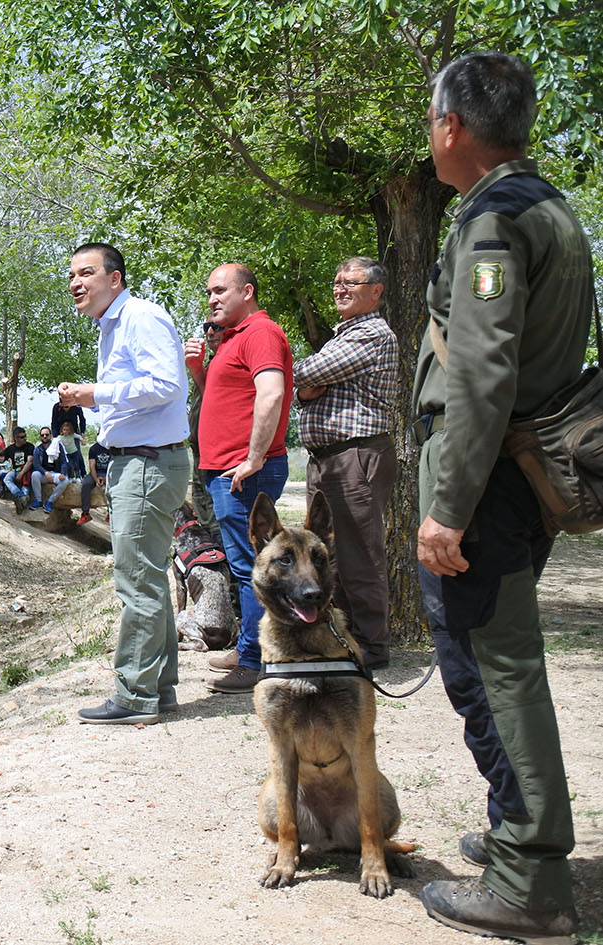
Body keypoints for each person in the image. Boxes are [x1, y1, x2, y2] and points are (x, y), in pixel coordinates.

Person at [412, 53, 584, 942]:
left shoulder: (490, 219)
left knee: (492, 667)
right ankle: (518, 833)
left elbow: (480, 373)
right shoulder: (547, 204)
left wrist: (447, 505)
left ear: (452, 126)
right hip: (515, 477)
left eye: (429, 117)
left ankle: (529, 879)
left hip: (483, 487)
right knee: (495, 658)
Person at [59, 242, 190, 726]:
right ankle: (160, 688)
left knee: (137, 584)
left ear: (114, 279)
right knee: (149, 579)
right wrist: (95, 401)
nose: (75, 282)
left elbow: (167, 385)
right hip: (137, 463)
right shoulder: (113, 326)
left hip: (147, 465)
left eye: (86, 273)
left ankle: (134, 697)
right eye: (71, 274)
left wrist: (96, 394)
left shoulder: (140, 318)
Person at [187, 263, 293, 695]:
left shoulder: (261, 333)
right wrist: (198, 369)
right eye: (208, 292)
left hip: (243, 471)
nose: (212, 299)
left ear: (247, 291)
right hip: (225, 469)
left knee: (254, 566)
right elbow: (224, 397)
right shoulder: (231, 339)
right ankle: (249, 647)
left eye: (220, 291)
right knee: (242, 563)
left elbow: (272, 392)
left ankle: (256, 661)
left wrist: (253, 458)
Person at [293, 257, 399, 670]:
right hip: (329, 460)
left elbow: (307, 371)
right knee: (329, 555)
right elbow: (307, 386)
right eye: (336, 281)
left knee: (358, 555)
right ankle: (343, 639)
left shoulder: (370, 333)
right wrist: (306, 391)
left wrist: (306, 380)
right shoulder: (344, 335)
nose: (339, 288)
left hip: (354, 457)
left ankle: (372, 648)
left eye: (350, 282)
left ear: (376, 291)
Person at [30, 426, 74, 513]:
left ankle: (49, 502)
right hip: (44, 474)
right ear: (40, 437)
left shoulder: (58, 447)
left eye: (47, 434)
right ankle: (38, 500)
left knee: (65, 481)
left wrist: (63, 473)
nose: (45, 437)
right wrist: (45, 472)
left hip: (55, 474)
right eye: (42, 435)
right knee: (34, 474)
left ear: (50, 436)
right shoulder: (38, 450)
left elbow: (64, 462)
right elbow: (36, 465)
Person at [0, 427, 35, 511]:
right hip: (15, 470)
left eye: (25, 436)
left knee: (25, 486)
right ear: (16, 438)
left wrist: (22, 473)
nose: (25, 438)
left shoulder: (29, 446)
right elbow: (0, 458)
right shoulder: (10, 449)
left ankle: (21, 503)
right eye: (22, 437)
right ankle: (21, 497)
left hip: (26, 471)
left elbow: (30, 462)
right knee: (7, 479)